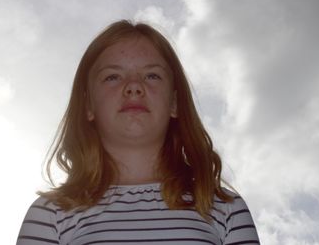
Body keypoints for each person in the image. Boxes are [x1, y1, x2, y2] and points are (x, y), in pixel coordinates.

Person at [16, 20, 260, 245]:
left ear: (175, 103)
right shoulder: (49, 214)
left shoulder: (225, 209)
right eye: (112, 77)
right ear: (88, 105)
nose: (134, 86)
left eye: (152, 75)